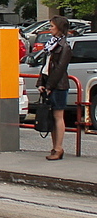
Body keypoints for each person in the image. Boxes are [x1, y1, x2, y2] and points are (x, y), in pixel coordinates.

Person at [37, 15, 72, 161]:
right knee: (51, 116)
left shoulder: (64, 46)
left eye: (52, 26)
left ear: (59, 27)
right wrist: (41, 83)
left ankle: (58, 147)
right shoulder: (51, 44)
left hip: (59, 85)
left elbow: (60, 68)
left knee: (58, 116)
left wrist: (50, 85)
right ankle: (54, 147)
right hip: (49, 84)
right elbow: (46, 66)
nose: (50, 28)